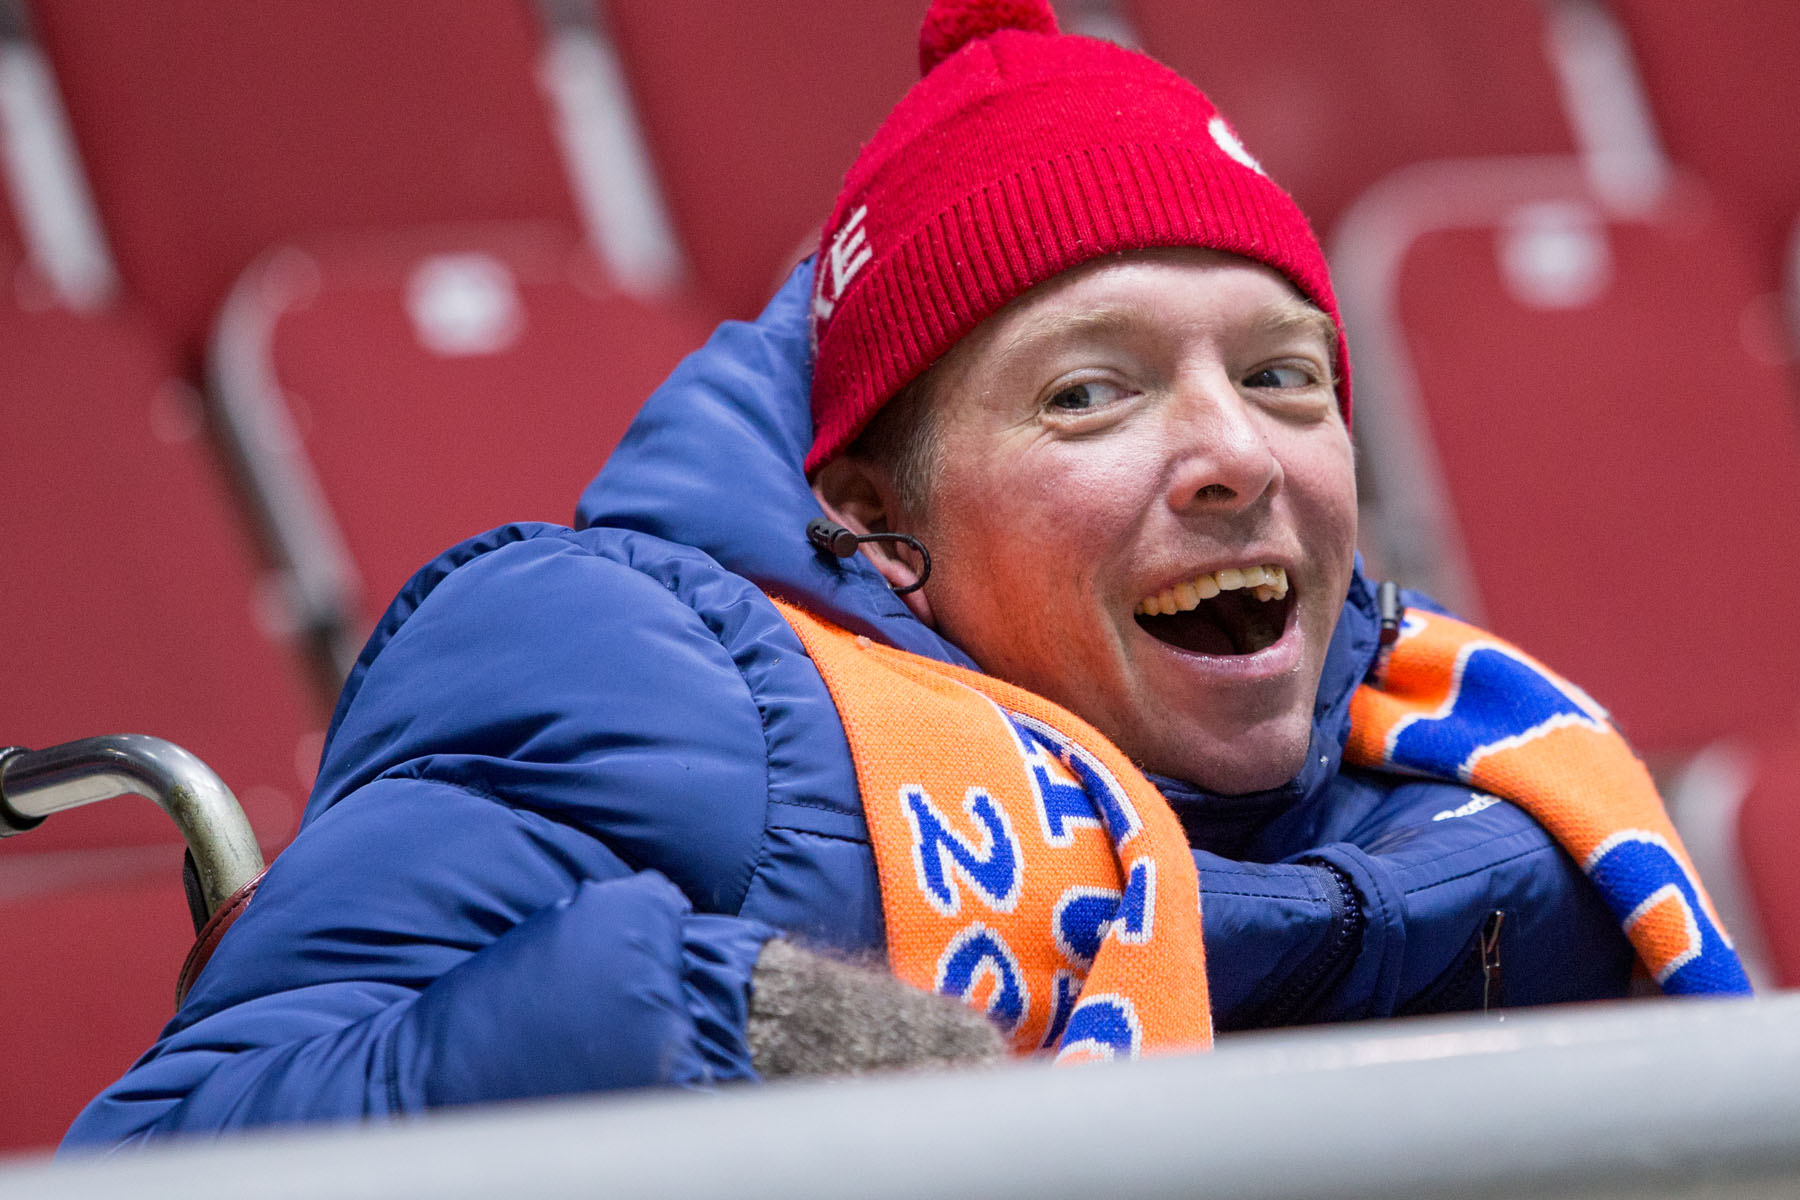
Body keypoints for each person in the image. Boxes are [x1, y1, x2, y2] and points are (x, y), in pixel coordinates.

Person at [65, 0, 1746, 1146]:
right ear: (876, 517)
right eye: (1091, 393)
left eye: (1285, 375)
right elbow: (171, 1154)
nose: (1238, 452)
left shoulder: (1474, 768)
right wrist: (696, 1032)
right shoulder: (635, 686)